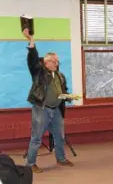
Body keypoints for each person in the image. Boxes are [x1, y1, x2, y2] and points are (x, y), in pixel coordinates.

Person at [22, 28, 74, 173]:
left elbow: (63, 91)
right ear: (47, 62)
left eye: (57, 61)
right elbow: (32, 59)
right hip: (42, 109)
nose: (57, 63)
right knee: (36, 138)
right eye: (54, 61)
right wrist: (31, 41)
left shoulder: (60, 75)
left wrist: (68, 96)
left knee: (60, 136)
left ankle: (61, 159)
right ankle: (30, 164)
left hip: (56, 109)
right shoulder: (38, 72)